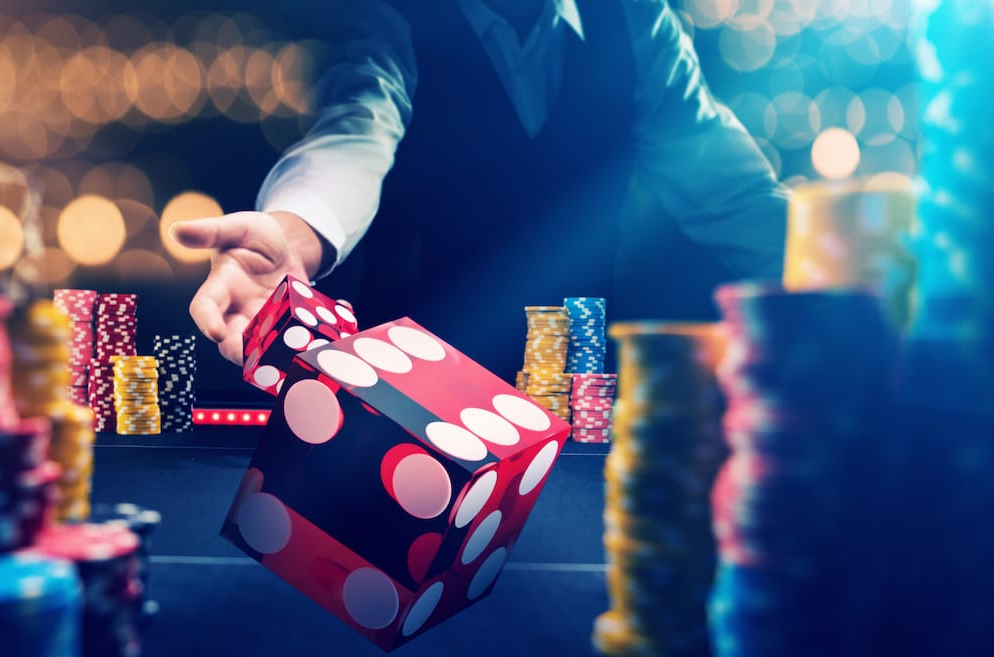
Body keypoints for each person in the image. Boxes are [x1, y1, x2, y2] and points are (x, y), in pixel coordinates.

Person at [174, 0, 788, 377]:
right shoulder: (392, 16)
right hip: (409, 404)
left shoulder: (633, 18)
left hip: (575, 407)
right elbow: (354, 133)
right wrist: (296, 230)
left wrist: (858, 271)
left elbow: (732, 194)